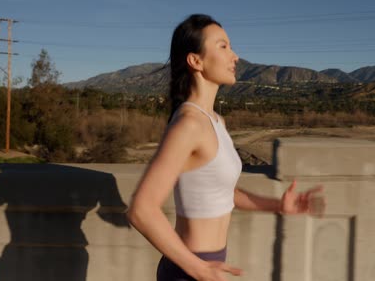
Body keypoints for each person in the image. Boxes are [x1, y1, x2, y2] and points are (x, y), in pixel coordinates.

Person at [127, 14, 325, 281]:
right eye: (223, 46)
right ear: (195, 60)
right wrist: (198, 268)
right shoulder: (189, 124)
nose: (235, 56)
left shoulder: (215, 121)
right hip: (189, 271)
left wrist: (278, 205)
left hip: (207, 266)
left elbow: (222, 193)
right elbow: (141, 210)